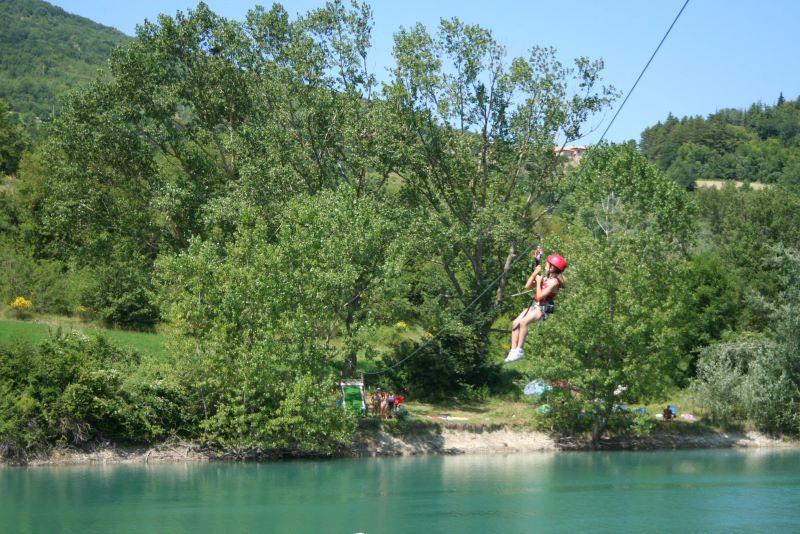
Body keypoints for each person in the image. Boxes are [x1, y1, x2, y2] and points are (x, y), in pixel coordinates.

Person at [505, 253, 567, 362]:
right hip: (535, 306)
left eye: (548, 264)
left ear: (553, 268)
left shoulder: (554, 282)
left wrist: (538, 282)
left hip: (542, 309)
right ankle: (513, 350)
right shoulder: (544, 278)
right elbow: (527, 286)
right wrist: (534, 274)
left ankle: (520, 350)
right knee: (515, 323)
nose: (546, 265)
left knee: (524, 322)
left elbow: (540, 296)